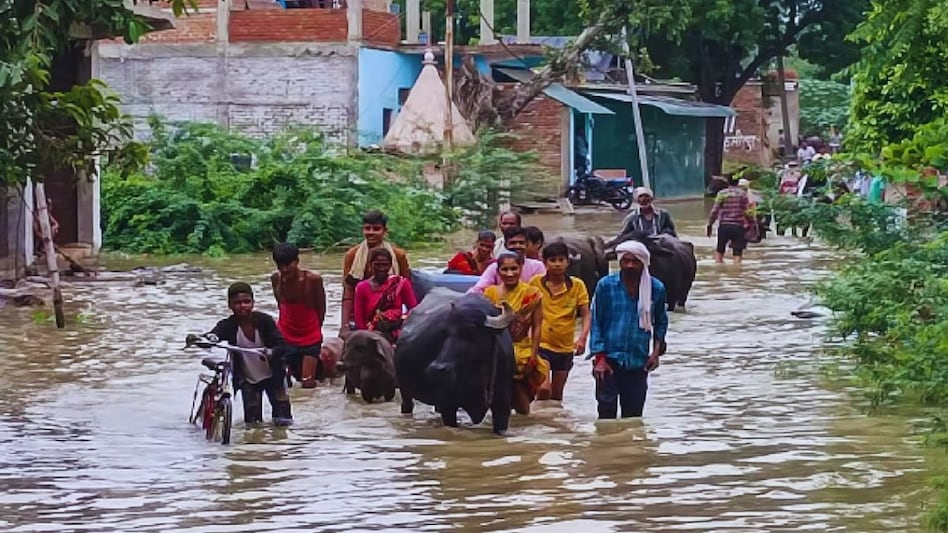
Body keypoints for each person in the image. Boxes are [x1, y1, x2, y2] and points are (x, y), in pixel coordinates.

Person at [588, 241, 668, 419]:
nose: (630, 265)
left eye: (635, 261)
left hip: (638, 361)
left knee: (633, 418)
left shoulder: (656, 288)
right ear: (620, 262)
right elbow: (596, 321)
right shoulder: (605, 285)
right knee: (606, 416)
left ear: (644, 263)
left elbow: (661, 323)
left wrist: (655, 354)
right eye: (626, 261)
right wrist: (599, 358)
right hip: (608, 361)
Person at [202, 283, 294, 426]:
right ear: (230, 305)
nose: (243, 306)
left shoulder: (265, 321)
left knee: (283, 421)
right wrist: (208, 338)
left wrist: (271, 352)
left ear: (253, 302)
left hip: (275, 376)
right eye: (237, 303)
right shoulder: (228, 325)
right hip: (248, 380)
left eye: (246, 301)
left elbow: (282, 345)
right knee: (253, 424)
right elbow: (214, 336)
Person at [483, 251, 549, 415]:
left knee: (519, 390)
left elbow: (537, 326)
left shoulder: (532, 294)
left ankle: (523, 421)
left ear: (521, 268)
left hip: (520, 349)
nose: (510, 273)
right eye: (505, 269)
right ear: (498, 271)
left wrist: (533, 355)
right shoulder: (490, 293)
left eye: (514, 268)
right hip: (496, 348)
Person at [530, 242, 591, 402]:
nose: (557, 264)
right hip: (541, 344)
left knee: (557, 395)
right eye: (552, 260)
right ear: (545, 263)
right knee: (543, 389)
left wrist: (583, 338)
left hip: (565, 347)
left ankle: (552, 417)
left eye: (561, 260)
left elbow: (586, 314)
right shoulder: (535, 283)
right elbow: (526, 308)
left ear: (567, 262)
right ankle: (537, 416)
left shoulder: (577, 285)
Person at [341, 211, 410, 332]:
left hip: (390, 318)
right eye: (367, 228)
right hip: (359, 315)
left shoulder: (398, 255)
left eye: (376, 229)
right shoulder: (352, 255)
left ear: (384, 231)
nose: (371, 232)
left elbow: (406, 290)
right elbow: (348, 292)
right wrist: (344, 326)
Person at [271, 243, 327, 389]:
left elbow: (321, 308)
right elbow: (280, 304)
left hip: (310, 335)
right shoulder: (276, 278)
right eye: (280, 265)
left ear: (297, 261)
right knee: (281, 382)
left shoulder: (313, 280)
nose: (284, 269)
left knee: (307, 383)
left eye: (288, 265)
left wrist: (315, 330)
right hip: (285, 334)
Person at [353, 247, 418, 345]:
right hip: (371, 334)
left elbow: (414, 310)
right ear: (370, 265)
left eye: (385, 265)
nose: (381, 269)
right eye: (377, 265)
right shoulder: (362, 287)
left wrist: (400, 322)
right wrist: (368, 336)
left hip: (397, 333)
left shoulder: (401, 284)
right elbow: (359, 319)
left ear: (390, 265)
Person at [469, 226, 546, 293]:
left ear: (526, 245)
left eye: (521, 243)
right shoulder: (495, 267)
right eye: (513, 243)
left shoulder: (537, 266)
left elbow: (543, 291)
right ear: (506, 245)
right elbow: (477, 290)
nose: (517, 246)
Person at [707, 174, 752, 264]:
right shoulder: (743, 194)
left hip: (724, 226)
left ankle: (718, 269)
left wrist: (710, 224)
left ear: (727, 182)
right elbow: (748, 212)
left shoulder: (722, 193)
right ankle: (737, 271)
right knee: (737, 253)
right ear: (738, 182)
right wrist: (751, 225)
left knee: (719, 251)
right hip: (739, 226)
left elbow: (714, 211)